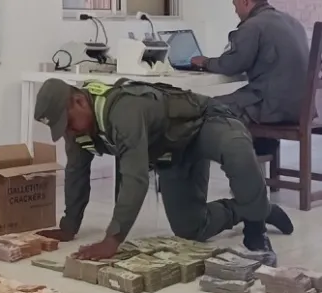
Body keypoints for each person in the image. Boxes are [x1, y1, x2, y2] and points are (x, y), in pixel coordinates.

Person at [34, 78, 294, 262]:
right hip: (173, 151)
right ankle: (256, 208)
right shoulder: (77, 131)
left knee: (236, 148)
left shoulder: (123, 110)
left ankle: (256, 229)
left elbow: (135, 178)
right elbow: (76, 174)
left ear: (79, 101)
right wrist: (68, 226)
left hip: (204, 123)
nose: (69, 132)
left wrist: (112, 239)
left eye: (68, 123)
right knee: (191, 229)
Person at [191, 0, 309, 156]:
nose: (235, 11)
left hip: (273, 107)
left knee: (206, 106)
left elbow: (231, 65)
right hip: (300, 108)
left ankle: (237, 156)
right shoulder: (293, 22)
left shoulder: (253, 25)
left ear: (245, 2)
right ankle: (260, 147)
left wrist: (205, 62)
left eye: (235, 5)